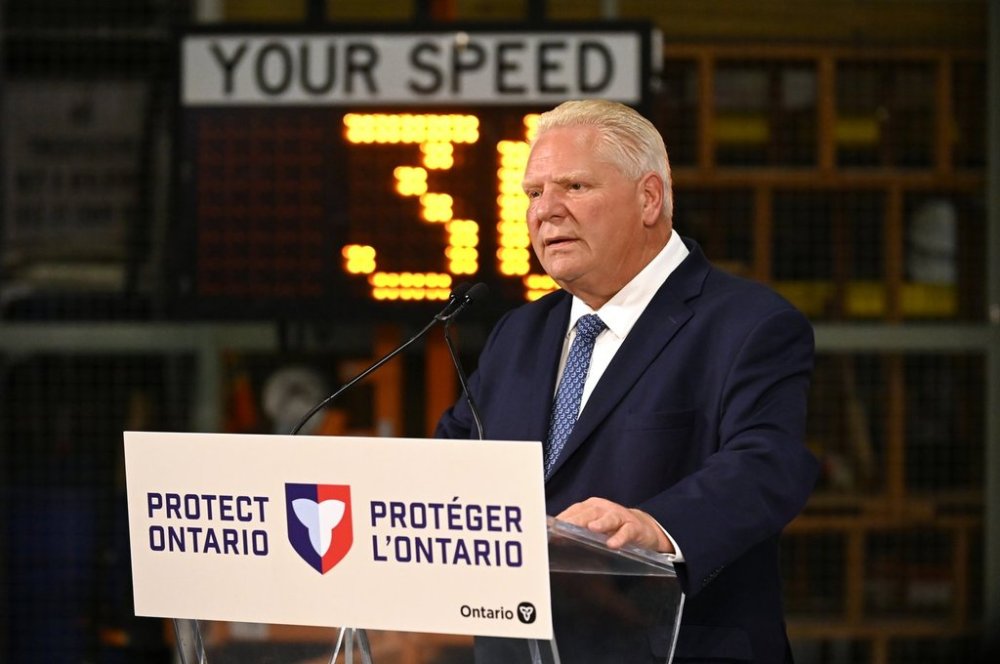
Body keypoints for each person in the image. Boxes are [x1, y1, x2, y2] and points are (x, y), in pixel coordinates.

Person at [435, 99, 818, 663]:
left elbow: (767, 462)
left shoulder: (748, 324)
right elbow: (456, 462)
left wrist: (656, 525)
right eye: (534, 193)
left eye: (574, 186)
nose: (546, 212)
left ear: (649, 198)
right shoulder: (518, 334)